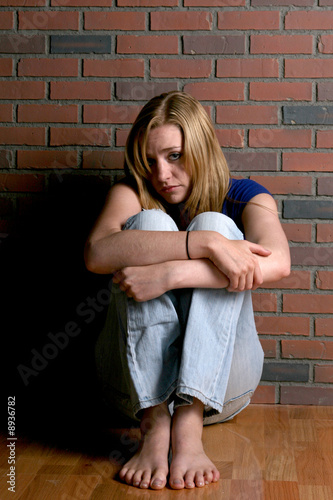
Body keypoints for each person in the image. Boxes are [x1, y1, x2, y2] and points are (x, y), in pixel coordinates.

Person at [84, 91, 290, 490]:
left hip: (221, 390)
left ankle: (190, 423)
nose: (161, 174)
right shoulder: (133, 194)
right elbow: (96, 252)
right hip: (133, 392)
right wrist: (207, 246)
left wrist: (170, 274)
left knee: (216, 220)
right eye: (149, 160)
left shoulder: (245, 196)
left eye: (174, 155)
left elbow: (278, 262)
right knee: (151, 225)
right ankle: (156, 423)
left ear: (202, 146)